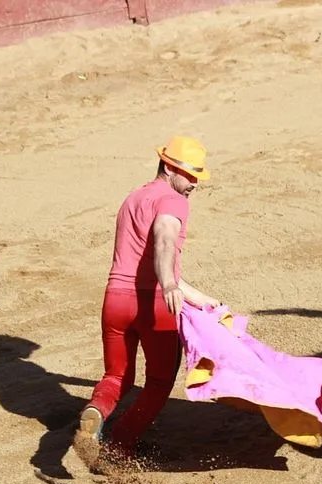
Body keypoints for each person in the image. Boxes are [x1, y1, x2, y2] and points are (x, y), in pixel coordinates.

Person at [74, 136, 221, 466]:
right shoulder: (173, 201)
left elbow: (148, 261)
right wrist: (168, 284)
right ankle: (120, 447)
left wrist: (200, 298)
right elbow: (164, 241)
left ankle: (96, 411)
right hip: (154, 306)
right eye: (190, 174)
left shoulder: (133, 198)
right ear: (169, 168)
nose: (195, 183)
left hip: (116, 300)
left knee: (116, 377)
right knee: (158, 382)